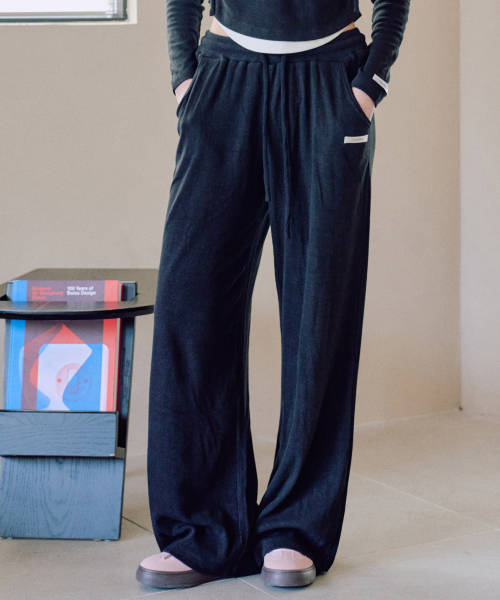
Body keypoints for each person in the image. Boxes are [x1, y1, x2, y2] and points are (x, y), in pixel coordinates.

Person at [136, 0, 410, 591]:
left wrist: (369, 85)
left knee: (319, 314)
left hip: (330, 83)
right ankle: (201, 531)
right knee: (191, 307)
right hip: (224, 80)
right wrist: (185, 80)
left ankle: (295, 527)